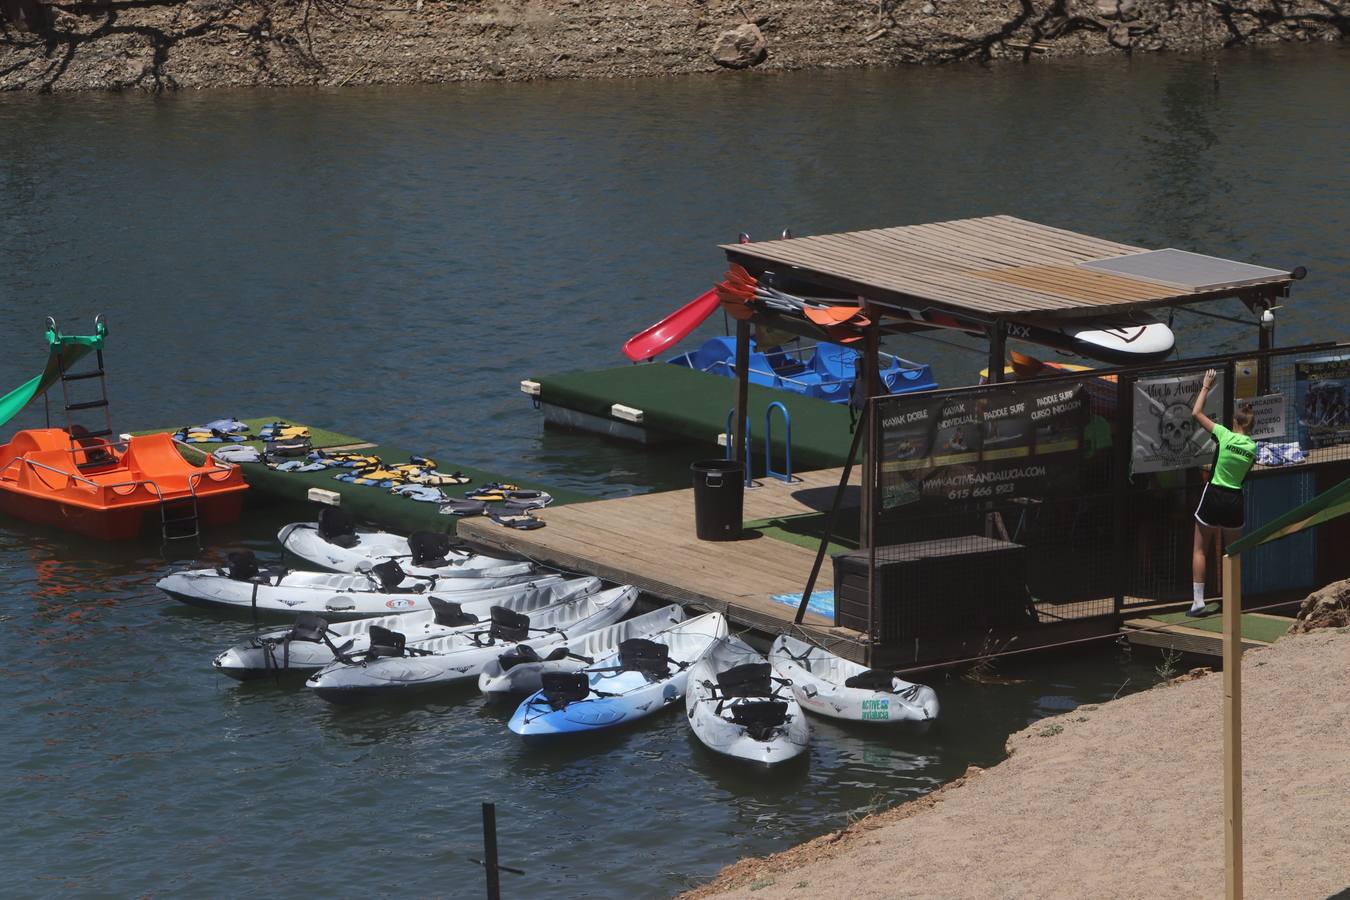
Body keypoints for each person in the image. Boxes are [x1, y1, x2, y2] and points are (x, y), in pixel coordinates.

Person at [1189, 368, 1257, 616]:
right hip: (1235, 500)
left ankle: (1198, 603)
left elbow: (1196, 413)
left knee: (1199, 549)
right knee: (1232, 553)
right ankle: (1231, 602)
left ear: (1235, 423)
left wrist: (1206, 385)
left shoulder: (1224, 435)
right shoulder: (1253, 448)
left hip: (1214, 494)